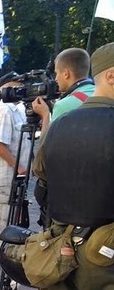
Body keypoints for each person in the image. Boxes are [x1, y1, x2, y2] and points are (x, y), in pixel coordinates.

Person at [32, 42, 114, 289]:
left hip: (61, 250)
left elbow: (41, 176)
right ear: (111, 75)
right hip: (104, 258)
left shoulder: (60, 122)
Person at [0, 72, 31, 261]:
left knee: (10, 212)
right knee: (1, 215)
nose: (20, 89)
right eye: (15, 85)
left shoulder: (17, 108)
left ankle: (6, 247)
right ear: (6, 88)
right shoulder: (4, 110)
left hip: (14, 172)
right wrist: (18, 166)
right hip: (6, 173)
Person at [32, 48, 94, 131]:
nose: (56, 79)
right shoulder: (101, 93)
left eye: (57, 73)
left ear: (66, 74)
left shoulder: (63, 105)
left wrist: (45, 115)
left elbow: (48, 143)